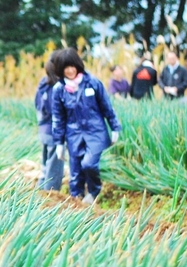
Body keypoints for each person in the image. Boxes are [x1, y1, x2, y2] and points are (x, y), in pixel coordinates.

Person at [52, 48, 122, 204]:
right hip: (74, 134)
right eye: (66, 68)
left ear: (77, 65)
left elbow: (106, 106)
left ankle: (94, 190)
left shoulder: (92, 83)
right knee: (75, 171)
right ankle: (76, 200)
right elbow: (58, 118)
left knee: (89, 164)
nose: (70, 70)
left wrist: (115, 127)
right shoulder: (59, 90)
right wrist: (58, 143)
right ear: (61, 69)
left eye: (72, 66)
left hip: (95, 132)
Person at [34, 55, 64, 191]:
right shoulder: (56, 88)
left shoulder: (42, 85)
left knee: (46, 166)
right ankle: (50, 196)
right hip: (53, 133)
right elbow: (57, 113)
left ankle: (39, 192)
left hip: (43, 130)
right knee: (54, 169)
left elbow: (37, 105)